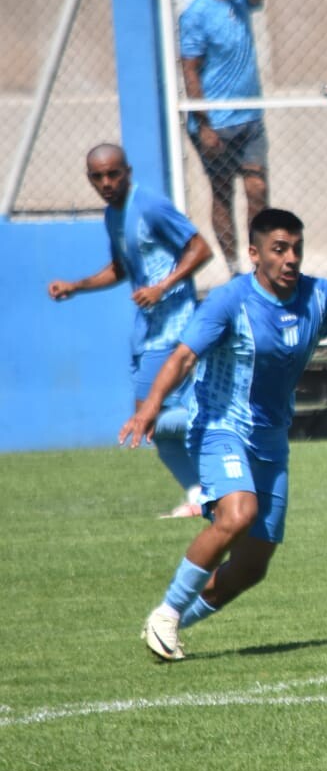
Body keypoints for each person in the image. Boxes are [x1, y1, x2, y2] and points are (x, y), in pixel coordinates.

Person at [123, 208, 327, 662]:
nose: (291, 258)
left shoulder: (319, 296)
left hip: (271, 439)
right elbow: (184, 356)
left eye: (297, 249)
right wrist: (150, 407)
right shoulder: (230, 300)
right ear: (255, 253)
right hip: (220, 426)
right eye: (279, 249)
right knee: (236, 514)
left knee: (251, 567)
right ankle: (168, 611)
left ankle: (169, 627)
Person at [48, 144, 215, 518]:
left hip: (176, 327)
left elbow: (201, 249)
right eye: (98, 177)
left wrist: (164, 286)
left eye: (113, 174)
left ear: (128, 171)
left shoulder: (152, 206)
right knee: (149, 423)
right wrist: (77, 286)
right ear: (89, 178)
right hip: (149, 332)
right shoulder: (114, 215)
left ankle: (227, 440)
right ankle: (200, 495)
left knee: (148, 419)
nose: (106, 183)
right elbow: (122, 269)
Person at [179, 0, 272, 273]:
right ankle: (234, 269)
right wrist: (204, 124)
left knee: (257, 190)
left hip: (249, 119)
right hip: (216, 123)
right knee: (222, 194)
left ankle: (261, 264)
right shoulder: (196, 15)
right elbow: (189, 70)